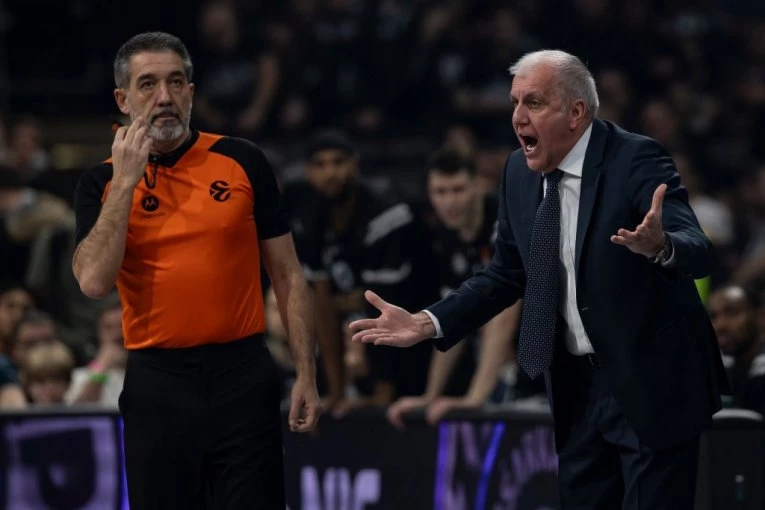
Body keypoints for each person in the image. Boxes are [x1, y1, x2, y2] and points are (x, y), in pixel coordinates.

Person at [350, 49, 729, 509]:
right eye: (514, 102)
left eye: (533, 102)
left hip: (652, 383)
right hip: (577, 389)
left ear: (576, 112)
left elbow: (699, 248)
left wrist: (661, 245)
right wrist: (427, 322)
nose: (517, 117)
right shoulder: (517, 172)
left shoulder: (634, 158)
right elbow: (505, 274)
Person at [72, 32, 320, 510]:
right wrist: (125, 182)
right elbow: (94, 281)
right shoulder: (100, 182)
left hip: (243, 378)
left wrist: (307, 374)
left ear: (191, 92)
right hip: (158, 384)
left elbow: (288, 274)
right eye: (148, 84)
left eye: (175, 82)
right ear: (123, 99)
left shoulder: (243, 159)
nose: (164, 97)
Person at [386, 147, 538, 430]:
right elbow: (453, 316)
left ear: (477, 185)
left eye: (458, 190)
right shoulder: (446, 239)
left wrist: (474, 398)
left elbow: (504, 314)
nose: (449, 202)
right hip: (509, 359)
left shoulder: (505, 219)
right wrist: (431, 396)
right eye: (440, 192)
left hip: (548, 345)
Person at [707, 284, 765, 416]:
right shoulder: (718, 373)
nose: (720, 325)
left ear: (760, 316)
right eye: (713, 316)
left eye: (732, 313)